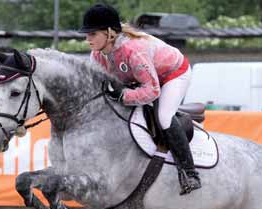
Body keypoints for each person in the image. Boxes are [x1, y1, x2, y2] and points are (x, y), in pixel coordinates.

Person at [79, 3, 201, 195]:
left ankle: (189, 173)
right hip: (140, 78)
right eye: (87, 34)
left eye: (92, 34)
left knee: (164, 117)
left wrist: (124, 95)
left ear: (110, 33)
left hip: (172, 75)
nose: (87, 39)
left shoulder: (133, 51)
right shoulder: (98, 55)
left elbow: (152, 91)